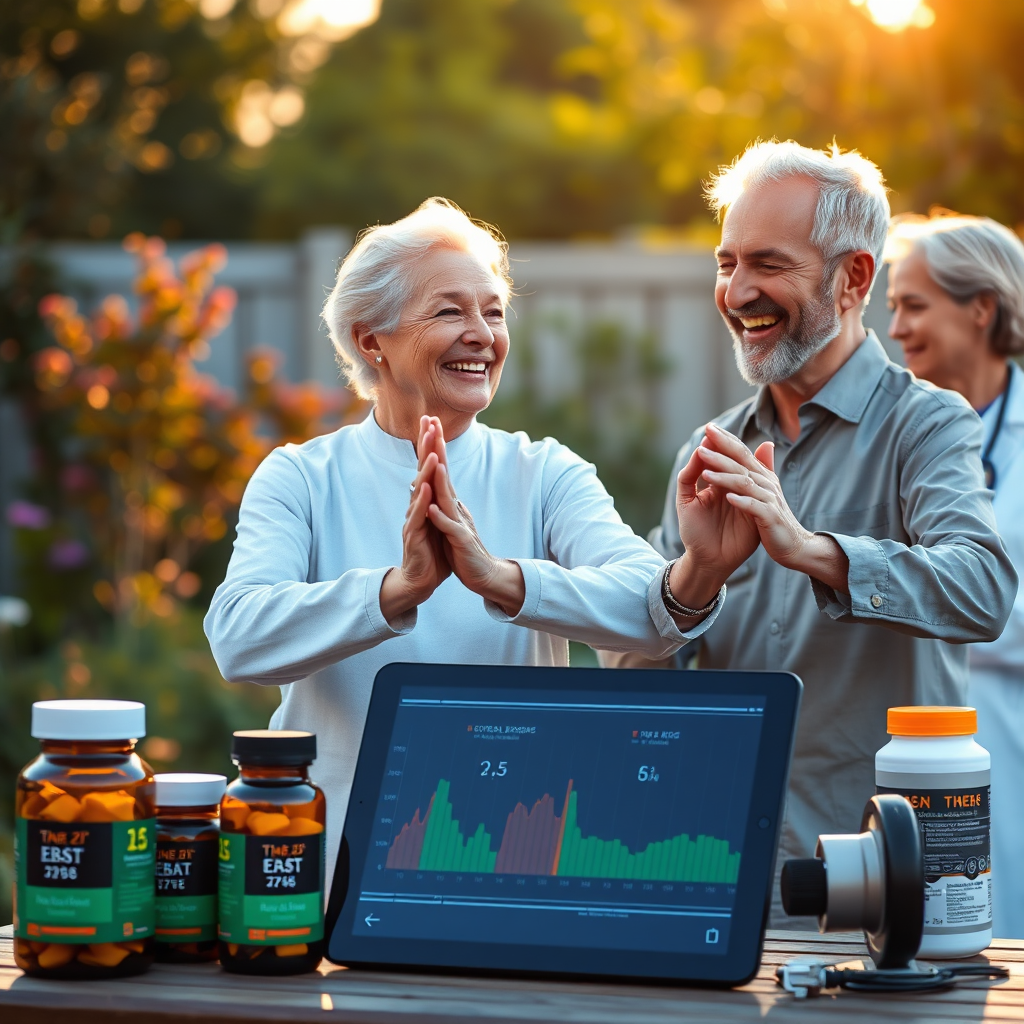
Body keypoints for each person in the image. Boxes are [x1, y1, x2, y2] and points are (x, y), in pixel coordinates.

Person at [205, 198, 750, 875]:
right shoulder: (301, 478)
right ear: (371, 338)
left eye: (493, 312)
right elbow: (238, 638)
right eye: (449, 311)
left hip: (511, 860)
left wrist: (503, 580)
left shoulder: (544, 471)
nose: (482, 333)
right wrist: (396, 591)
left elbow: (651, 613)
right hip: (332, 866)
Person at [602, 142, 1017, 925]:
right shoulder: (710, 451)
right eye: (726, 263)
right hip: (714, 874)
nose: (737, 291)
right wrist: (694, 579)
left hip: (883, 888)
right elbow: (633, 671)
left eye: (767, 263)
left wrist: (810, 552)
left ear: (854, 278)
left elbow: (984, 589)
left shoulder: (925, 425)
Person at [886, 211, 1024, 939]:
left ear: (981, 308)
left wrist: (956, 599)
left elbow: (984, 602)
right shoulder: (894, 434)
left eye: (915, 305)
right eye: (892, 308)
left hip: (1008, 722)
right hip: (915, 736)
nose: (897, 328)